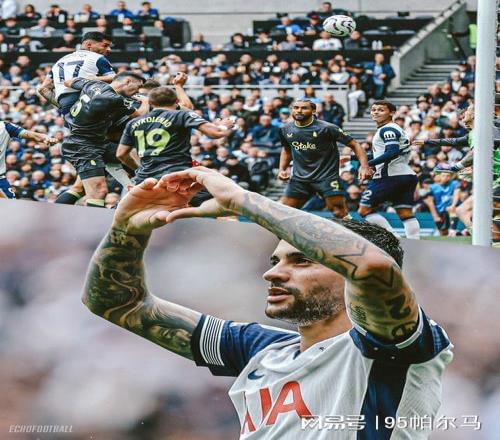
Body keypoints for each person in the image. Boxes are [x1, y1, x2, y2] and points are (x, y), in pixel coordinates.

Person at [82, 166, 453, 439]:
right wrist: (125, 229)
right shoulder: (260, 349)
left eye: (301, 260)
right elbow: (118, 304)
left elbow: (372, 267)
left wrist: (244, 202)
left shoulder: (390, 347)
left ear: (345, 270)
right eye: (275, 260)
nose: (272, 273)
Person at [116, 78, 234, 206]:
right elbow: (216, 133)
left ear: (149, 102)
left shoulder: (133, 123)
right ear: (177, 101)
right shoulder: (181, 115)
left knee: (124, 209)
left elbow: (121, 154)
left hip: (146, 178)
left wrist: (139, 169)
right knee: (221, 199)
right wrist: (224, 126)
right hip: (178, 176)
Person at [61, 72, 148, 208]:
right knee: (99, 192)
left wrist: (102, 79)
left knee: (79, 188)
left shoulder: (93, 84)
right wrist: (146, 101)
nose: (137, 91)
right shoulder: (114, 99)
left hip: (95, 143)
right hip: (83, 146)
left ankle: (140, 178)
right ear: (127, 81)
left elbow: (68, 81)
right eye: (138, 87)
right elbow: (140, 116)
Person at [277, 99, 371, 218]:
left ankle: (352, 229)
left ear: (313, 111)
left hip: (326, 177)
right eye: (296, 108)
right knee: (285, 211)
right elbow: (286, 150)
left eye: (304, 108)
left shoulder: (327, 128)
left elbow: (355, 144)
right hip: (299, 178)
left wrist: (364, 166)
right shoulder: (285, 129)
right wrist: (282, 169)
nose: (299, 111)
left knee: (339, 212)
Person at [358, 101, 420, 239]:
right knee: (405, 213)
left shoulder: (388, 130)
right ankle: (414, 244)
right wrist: (352, 158)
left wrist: (367, 165)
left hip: (390, 175)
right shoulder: (394, 128)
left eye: (381, 110)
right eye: (373, 109)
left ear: (392, 113)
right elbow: (381, 154)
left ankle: (394, 239)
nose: (375, 112)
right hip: (406, 174)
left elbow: (392, 152)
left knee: (364, 209)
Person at [37, 32, 115, 116]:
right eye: (105, 45)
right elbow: (114, 78)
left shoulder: (60, 61)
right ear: (89, 45)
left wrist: (61, 106)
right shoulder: (97, 58)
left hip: (66, 107)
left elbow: (43, 89)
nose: (109, 49)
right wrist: (93, 79)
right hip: (88, 101)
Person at [0, 120, 57, 199]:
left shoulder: (4, 127)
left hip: (1, 179)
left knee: (10, 204)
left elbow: (32, 135)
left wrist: (45, 137)